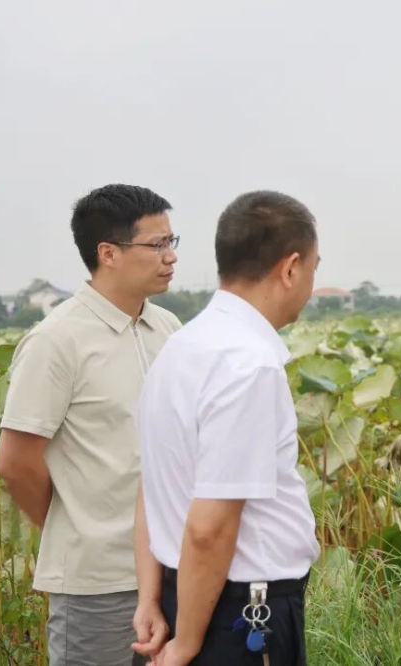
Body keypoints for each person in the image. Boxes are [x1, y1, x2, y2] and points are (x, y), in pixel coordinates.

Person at [131, 190, 321, 665]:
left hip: (179, 596)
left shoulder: (180, 347)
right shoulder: (248, 365)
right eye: (314, 268)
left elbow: (152, 485)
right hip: (235, 616)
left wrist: (150, 599)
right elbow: (209, 527)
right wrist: (187, 644)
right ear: (291, 268)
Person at [0, 184, 181, 666]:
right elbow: (16, 463)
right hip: (97, 585)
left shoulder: (168, 329)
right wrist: (76, 526)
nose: (170, 256)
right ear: (108, 253)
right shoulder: (56, 341)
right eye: (156, 244)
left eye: (171, 241)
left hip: (171, 572)